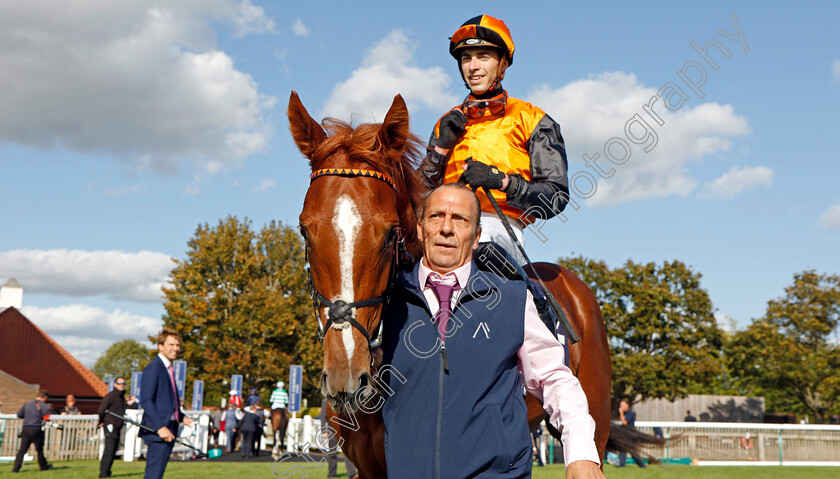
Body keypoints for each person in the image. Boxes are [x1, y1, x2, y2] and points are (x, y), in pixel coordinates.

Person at [380, 184, 604, 478]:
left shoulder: (512, 297)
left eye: (460, 219)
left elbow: (555, 378)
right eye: (436, 216)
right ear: (420, 230)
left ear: (475, 237)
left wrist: (581, 454)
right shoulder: (386, 300)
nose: (446, 227)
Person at [419, 14, 571, 336]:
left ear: (502, 64)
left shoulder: (533, 119)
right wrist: (439, 151)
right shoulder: (446, 122)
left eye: (483, 57)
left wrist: (500, 181)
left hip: (499, 228)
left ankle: (539, 319)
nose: (473, 66)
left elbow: (556, 198)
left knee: (481, 242)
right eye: (466, 58)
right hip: (439, 225)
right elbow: (418, 193)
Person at [140, 328, 195, 479]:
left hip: (169, 429)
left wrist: (182, 417)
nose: (175, 349)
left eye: (177, 345)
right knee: (153, 475)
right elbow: (146, 400)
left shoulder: (168, 369)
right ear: (160, 346)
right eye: (171, 344)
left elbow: (166, 402)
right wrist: (160, 427)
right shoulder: (154, 368)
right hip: (159, 432)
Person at [97, 376, 137, 478]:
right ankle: (103, 474)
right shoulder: (111, 396)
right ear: (115, 384)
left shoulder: (120, 397)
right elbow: (101, 410)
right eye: (120, 383)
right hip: (110, 425)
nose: (122, 386)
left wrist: (134, 402)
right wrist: (101, 421)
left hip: (118, 426)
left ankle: (107, 472)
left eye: (123, 384)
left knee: (113, 450)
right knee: (109, 450)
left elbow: (125, 408)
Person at [11, 389, 53, 472]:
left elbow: (19, 414)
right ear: (44, 397)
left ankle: (15, 469)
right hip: (36, 429)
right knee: (39, 449)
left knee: (22, 450)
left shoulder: (27, 404)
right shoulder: (43, 405)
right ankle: (43, 467)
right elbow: (46, 417)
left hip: (26, 429)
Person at [319, 398, 357, 479]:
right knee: (332, 453)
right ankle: (331, 474)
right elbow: (323, 416)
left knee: (348, 453)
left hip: (344, 430)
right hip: (332, 430)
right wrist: (324, 430)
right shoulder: (326, 400)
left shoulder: (345, 398)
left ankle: (352, 474)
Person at [618, 399, 647, 468]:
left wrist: (621, 413)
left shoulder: (630, 413)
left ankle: (642, 465)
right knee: (623, 448)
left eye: (622, 405)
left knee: (632, 451)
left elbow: (625, 423)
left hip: (630, 434)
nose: (621, 407)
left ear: (627, 405)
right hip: (626, 434)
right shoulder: (624, 413)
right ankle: (622, 465)